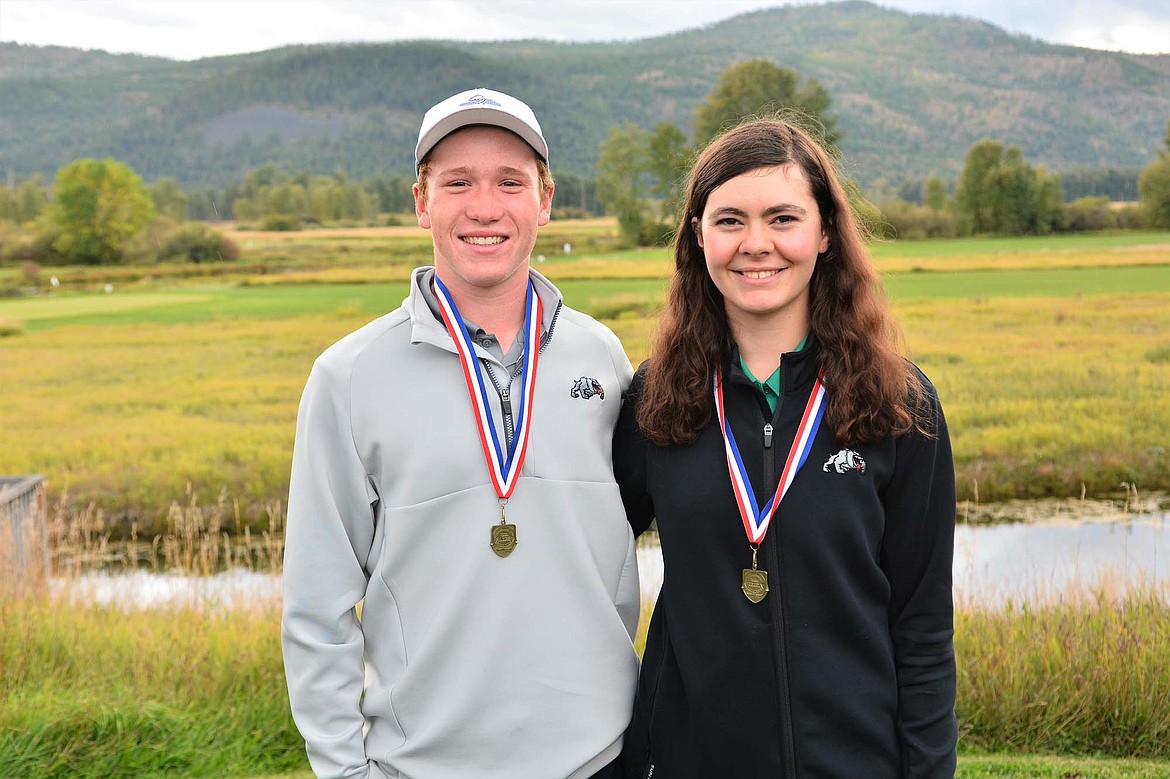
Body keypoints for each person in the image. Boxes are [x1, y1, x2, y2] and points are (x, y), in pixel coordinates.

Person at [282, 87, 639, 779]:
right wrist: (344, 770)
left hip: (604, 758)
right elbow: (314, 609)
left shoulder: (603, 359)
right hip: (422, 767)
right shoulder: (348, 377)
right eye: (457, 182)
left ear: (546, 200)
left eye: (510, 181)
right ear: (421, 202)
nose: (484, 206)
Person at [614, 118, 957, 778]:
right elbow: (582, 567)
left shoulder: (900, 404)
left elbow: (922, 630)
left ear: (825, 233)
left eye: (782, 218)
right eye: (730, 220)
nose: (756, 244)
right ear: (697, 235)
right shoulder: (654, 399)